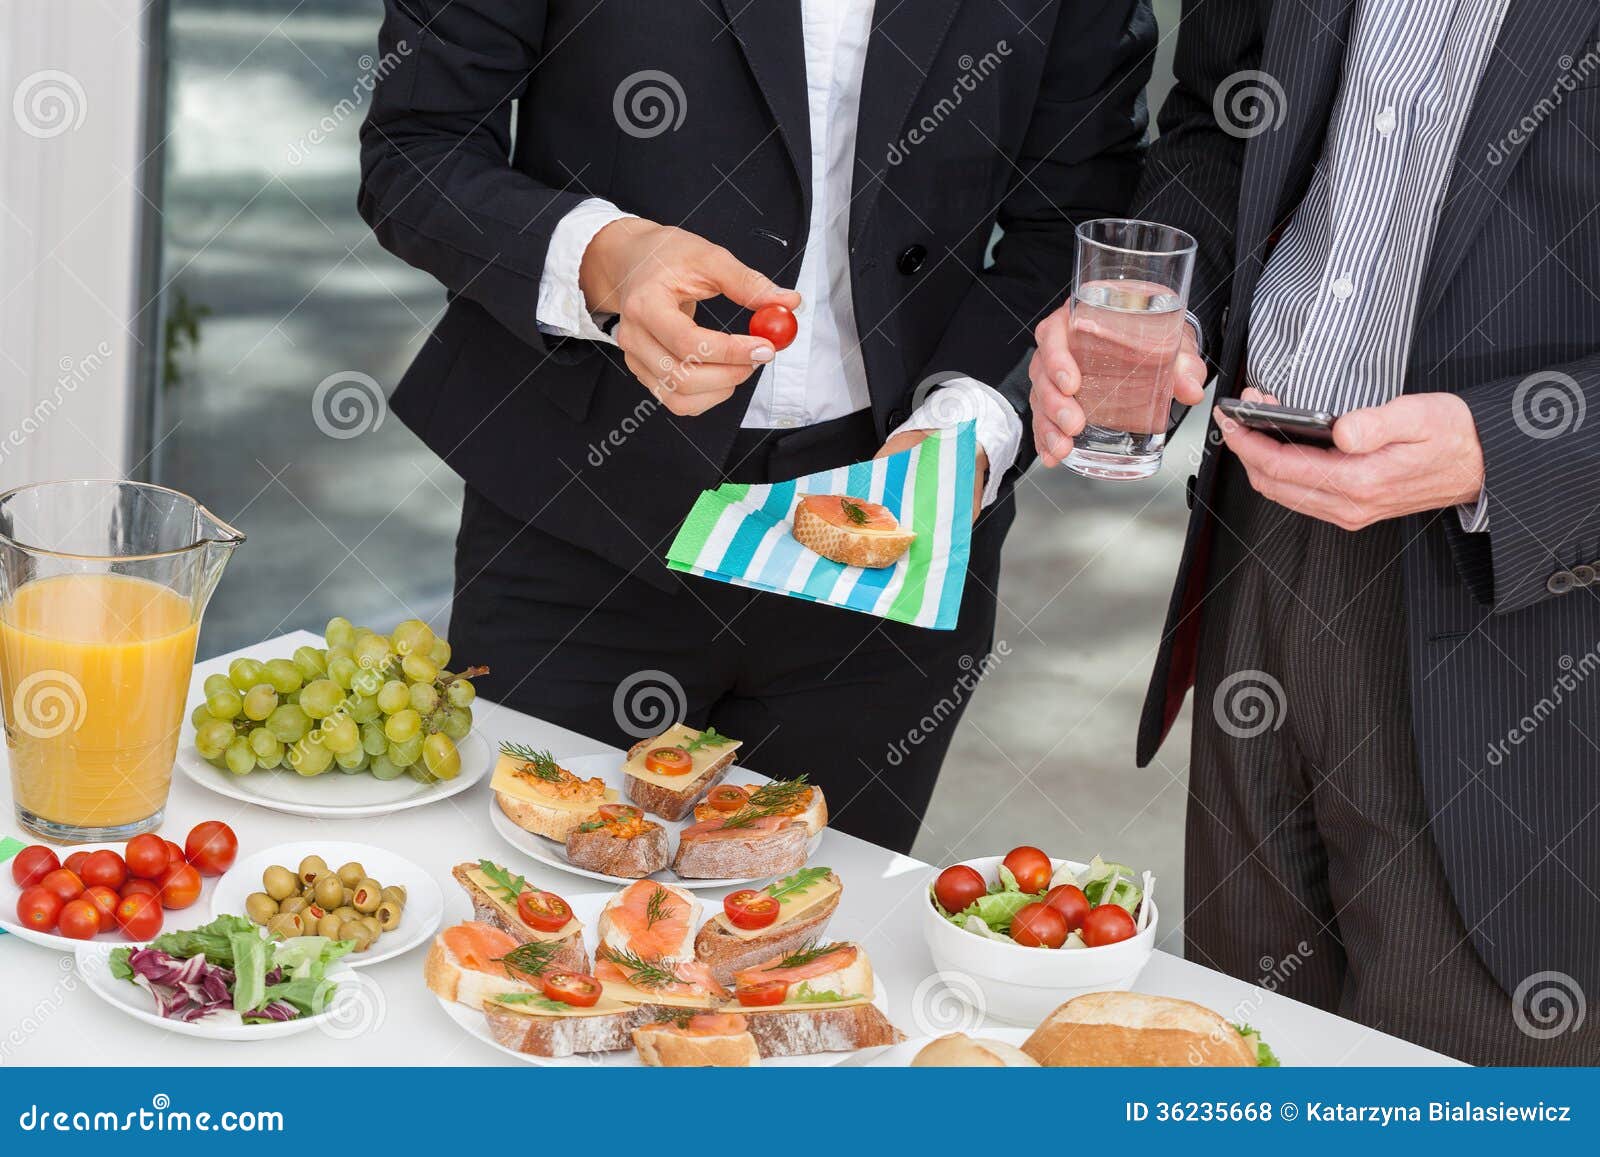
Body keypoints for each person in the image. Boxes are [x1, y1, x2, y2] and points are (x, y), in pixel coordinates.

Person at [358, 0, 1156, 852]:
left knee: (817, 922)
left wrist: (969, 425)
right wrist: (605, 258)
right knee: (525, 905)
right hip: (581, 513)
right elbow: (418, 144)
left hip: (889, 549)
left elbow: (1078, 216)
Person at [1030, 0, 1600, 1063]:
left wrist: (1507, 445)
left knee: (1448, 1102)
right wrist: (1160, 305)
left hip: (1534, 609)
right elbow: (1221, 113)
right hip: (1259, 535)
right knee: (1247, 1063)